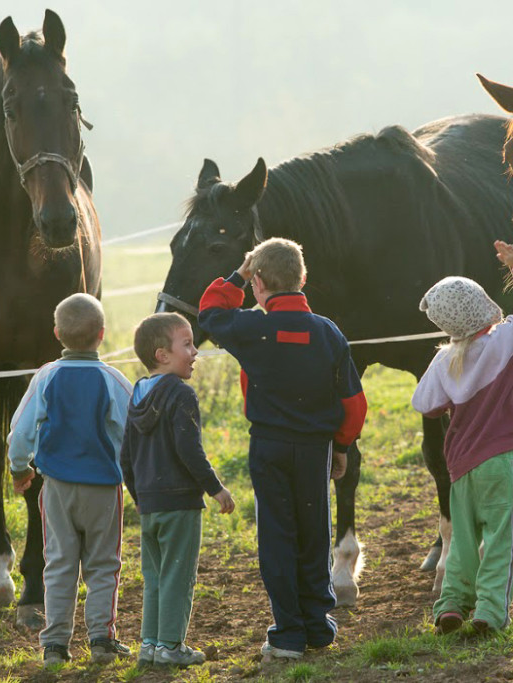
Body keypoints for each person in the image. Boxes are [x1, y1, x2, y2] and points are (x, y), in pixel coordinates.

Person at [197, 237, 368, 660]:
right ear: (303, 279)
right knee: (315, 534)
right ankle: (318, 626)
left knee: (277, 536)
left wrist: (238, 273)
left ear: (258, 283)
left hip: (269, 447)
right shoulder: (328, 333)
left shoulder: (250, 328)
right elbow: (354, 404)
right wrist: (342, 447)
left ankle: (288, 633)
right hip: (316, 450)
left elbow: (209, 311)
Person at [411, 240, 513, 636]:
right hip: (500, 460)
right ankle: (490, 612)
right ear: (482, 304)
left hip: (459, 467)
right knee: (502, 540)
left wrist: (448, 396)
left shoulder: (443, 360)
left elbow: (423, 403)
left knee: (463, 542)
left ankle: (451, 604)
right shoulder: (505, 342)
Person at [7, 293, 134, 666]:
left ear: (57, 333)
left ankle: (55, 646)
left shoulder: (46, 377)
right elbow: (134, 432)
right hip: (103, 489)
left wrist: (20, 470)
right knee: (103, 565)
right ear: (102, 333)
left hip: (57, 487)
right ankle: (100, 640)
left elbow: (20, 433)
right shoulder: (113, 379)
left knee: (59, 563)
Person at [120, 312, 236, 668]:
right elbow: (190, 450)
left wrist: (139, 498)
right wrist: (215, 488)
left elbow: (125, 455)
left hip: (150, 506)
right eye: (186, 344)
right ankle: (172, 646)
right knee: (178, 576)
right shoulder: (181, 394)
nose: (195, 351)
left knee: (155, 577)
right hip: (180, 503)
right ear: (162, 355)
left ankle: (151, 645)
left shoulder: (138, 393)